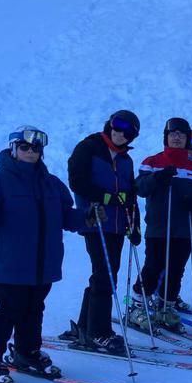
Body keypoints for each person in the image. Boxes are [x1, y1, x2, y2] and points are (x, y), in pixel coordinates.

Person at [0, 126, 98, 383]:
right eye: (24, 147)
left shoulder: (52, 184)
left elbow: (65, 216)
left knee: (34, 308)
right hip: (9, 262)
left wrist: (86, 217)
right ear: (14, 149)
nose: (30, 151)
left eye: (35, 148)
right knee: (10, 308)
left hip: (43, 263)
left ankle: (26, 352)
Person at [65, 110, 141, 353]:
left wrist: (135, 225)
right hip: (95, 221)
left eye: (128, 132)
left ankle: (86, 326)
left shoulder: (126, 160)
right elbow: (77, 182)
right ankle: (99, 333)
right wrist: (107, 198)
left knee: (105, 275)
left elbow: (130, 196)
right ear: (109, 124)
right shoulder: (89, 148)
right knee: (105, 276)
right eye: (117, 126)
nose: (120, 133)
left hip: (117, 226)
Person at [128, 117, 192, 331]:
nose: (177, 138)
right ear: (166, 137)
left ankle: (166, 307)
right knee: (153, 267)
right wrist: (158, 178)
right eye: (172, 134)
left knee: (176, 270)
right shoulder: (153, 162)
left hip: (185, 229)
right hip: (159, 227)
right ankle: (137, 306)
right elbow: (140, 188)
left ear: (187, 139)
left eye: (181, 135)